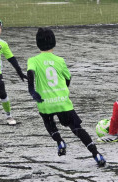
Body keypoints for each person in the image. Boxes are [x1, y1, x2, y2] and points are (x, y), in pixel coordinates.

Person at [27, 28, 106, 167]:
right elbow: (68, 78)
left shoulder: (33, 60)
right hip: (62, 102)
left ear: (37, 43)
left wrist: (32, 90)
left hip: (45, 102)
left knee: (48, 121)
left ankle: (59, 141)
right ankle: (96, 154)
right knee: (77, 128)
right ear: (54, 43)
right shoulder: (60, 60)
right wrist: (62, 91)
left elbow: (30, 73)